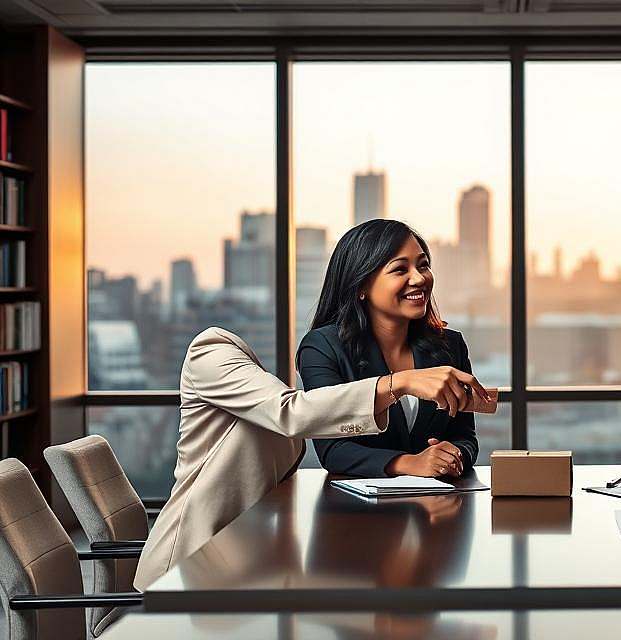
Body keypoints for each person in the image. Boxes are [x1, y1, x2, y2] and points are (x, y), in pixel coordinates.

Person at [134, 326, 487, 591]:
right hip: (187, 572)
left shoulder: (258, 386)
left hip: (248, 564)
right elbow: (293, 414)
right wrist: (398, 384)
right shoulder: (210, 353)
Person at [298, 219, 486, 479]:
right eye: (400, 270)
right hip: (355, 512)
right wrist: (409, 463)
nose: (419, 278)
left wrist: (452, 455)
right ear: (361, 285)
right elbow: (333, 450)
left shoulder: (450, 345)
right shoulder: (322, 348)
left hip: (438, 507)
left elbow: (465, 436)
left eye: (423, 265)